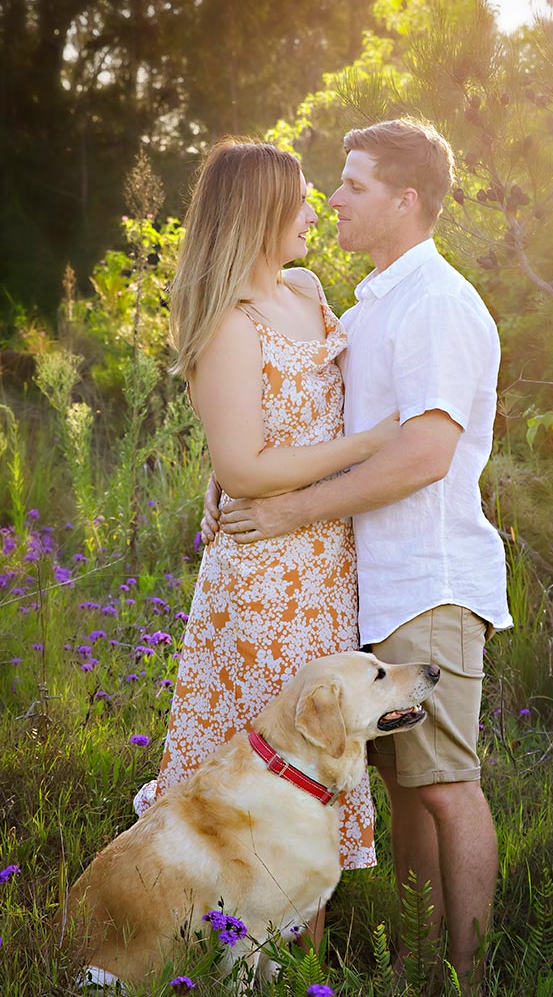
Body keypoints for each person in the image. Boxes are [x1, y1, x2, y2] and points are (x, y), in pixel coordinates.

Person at [218, 118, 512, 993]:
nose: (332, 199)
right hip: (369, 587)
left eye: (352, 185)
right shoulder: (377, 297)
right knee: (404, 785)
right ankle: (422, 969)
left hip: (430, 581)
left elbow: (425, 455)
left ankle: (466, 996)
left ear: (405, 199)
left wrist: (295, 509)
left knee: (446, 784)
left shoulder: (437, 304)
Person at [134, 139, 400, 911]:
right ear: (260, 214)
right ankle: (262, 978)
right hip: (267, 573)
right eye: (302, 201)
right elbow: (244, 466)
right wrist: (370, 446)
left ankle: (293, 969)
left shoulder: (308, 289)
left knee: (323, 743)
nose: (317, 212)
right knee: (281, 765)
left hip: (325, 558)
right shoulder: (230, 325)